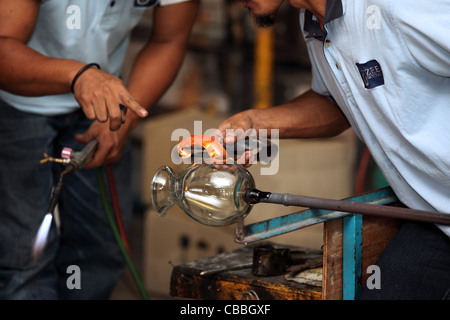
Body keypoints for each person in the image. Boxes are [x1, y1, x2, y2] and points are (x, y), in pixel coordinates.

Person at [218, 0, 450, 299]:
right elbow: (339, 102)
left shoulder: (398, 7)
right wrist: (251, 122)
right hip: (434, 216)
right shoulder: (315, 23)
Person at [0, 0, 198, 299]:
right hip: (21, 100)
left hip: (103, 101)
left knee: (99, 249)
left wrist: (125, 117)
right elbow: (3, 46)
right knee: (24, 256)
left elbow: (169, 39)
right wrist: (79, 76)